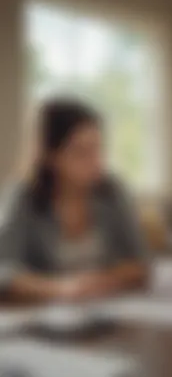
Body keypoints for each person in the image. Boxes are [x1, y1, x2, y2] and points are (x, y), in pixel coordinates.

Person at [0, 98, 147, 302]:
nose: (97, 163)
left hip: (107, 311)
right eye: (81, 152)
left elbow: (140, 263)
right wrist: (62, 288)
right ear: (51, 156)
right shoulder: (23, 198)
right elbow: (4, 272)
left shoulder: (112, 191)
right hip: (43, 317)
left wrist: (103, 280)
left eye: (98, 149)